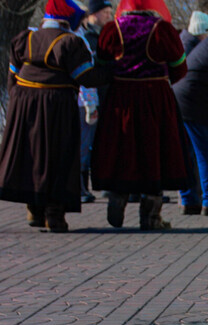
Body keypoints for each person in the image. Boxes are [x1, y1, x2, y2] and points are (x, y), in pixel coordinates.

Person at [0, 0, 110, 232]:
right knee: (57, 156)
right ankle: (54, 213)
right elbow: (86, 77)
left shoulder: (24, 39)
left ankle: (34, 207)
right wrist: (110, 70)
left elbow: (12, 76)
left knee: (30, 155)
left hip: (23, 105)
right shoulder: (69, 42)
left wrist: (17, 104)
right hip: (56, 107)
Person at [91, 0, 192, 230]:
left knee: (122, 147)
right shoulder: (161, 29)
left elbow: (102, 64)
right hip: (154, 97)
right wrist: (161, 81)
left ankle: (118, 195)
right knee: (154, 150)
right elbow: (180, 66)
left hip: (120, 97)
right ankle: (151, 215)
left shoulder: (111, 30)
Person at [174, 12, 208, 215]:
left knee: (185, 154)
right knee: (205, 153)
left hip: (179, 99)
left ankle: (188, 200)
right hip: (195, 104)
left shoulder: (187, 45)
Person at [77, 0, 114, 204]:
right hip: (87, 97)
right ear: (93, 14)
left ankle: (102, 183)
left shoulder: (103, 36)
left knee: (101, 142)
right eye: (105, 12)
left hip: (103, 96)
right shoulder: (85, 38)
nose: (109, 16)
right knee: (84, 143)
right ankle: (81, 185)